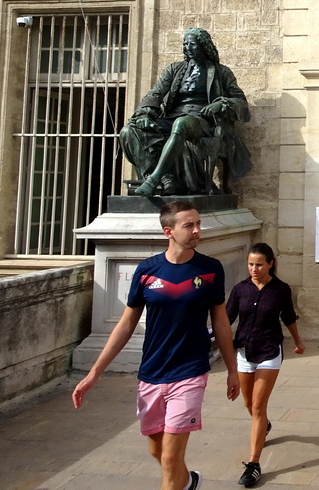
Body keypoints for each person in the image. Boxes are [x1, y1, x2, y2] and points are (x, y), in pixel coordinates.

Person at [72, 200, 239, 490]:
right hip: (151, 372)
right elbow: (125, 325)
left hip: (190, 371)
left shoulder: (211, 270)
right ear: (168, 231)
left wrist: (232, 369)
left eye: (198, 223)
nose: (198, 230)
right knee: (158, 452)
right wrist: (94, 372)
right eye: (189, 225)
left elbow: (221, 322)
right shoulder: (147, 271)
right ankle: (189, 483)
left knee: (171, 457)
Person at [120, 27, 251, 197]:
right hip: (171, 118)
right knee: (128, 131)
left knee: (181, 124)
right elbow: (155, 93)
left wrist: (221, 103)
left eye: (193, 44)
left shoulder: (221, 72)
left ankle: (153, 180)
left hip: (202, 121)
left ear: (204, 46)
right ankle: (167, 178)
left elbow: (241, 102)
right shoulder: (174, 69)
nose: (188, 47)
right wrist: (144, 114)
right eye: (185, 44)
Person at [226, 242, 305, 487]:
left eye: (259, 264)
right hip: (244, 352)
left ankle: (254, 464)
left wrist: (298, 342)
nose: (254, 269)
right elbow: (226, 319)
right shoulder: (240, 290)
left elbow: (289, 317)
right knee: (249, 403)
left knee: (259, 406)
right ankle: (266, 426)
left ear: (270, 264)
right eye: (250, 264)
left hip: (270, 351)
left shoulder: (281, 289)